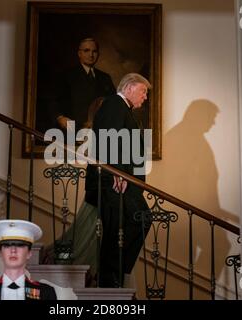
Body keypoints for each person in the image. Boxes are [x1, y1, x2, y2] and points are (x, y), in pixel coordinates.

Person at [85, 73, 152, 288]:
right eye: (143, 91)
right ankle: (110, 276)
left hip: (119, 180)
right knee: (139, 219)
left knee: (119, 228)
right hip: (114, 181)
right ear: (130, 87)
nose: (145, 97)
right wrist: (116, 172)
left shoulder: (122, 108)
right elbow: (108, 137)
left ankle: (112, 275)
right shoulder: (115, 104)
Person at [0, 219, 57, 300]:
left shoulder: (46, 293)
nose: (13, 250)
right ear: (0, 253)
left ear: (29, 253)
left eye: (20, 245)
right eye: (7, 245)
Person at [52, 38, 116, 132]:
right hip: (73, 131)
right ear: (79, 54)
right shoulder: (67, 76)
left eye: (94, 51)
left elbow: (113, 104)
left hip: (99, 132)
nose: (91, 55)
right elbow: (54, 101)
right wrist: (60, 118)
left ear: (98, 54)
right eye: (86, 50)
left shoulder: (105, 78)